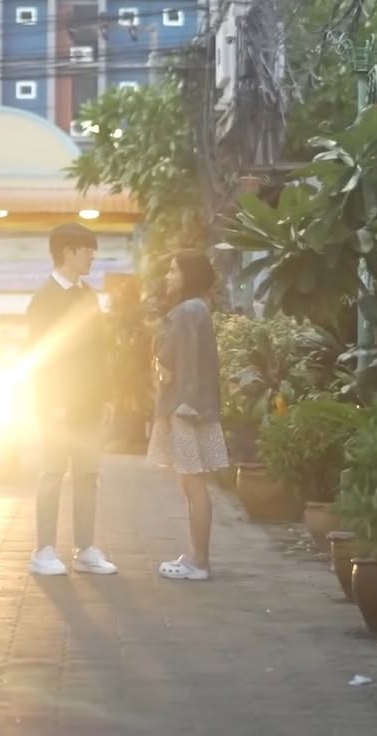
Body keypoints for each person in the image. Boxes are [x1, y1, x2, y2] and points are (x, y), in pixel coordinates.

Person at [27, 222, 117, 577]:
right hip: (58, 406)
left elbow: (100, 351)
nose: (92, 256)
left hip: (89, 405)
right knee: (52, 473)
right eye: (86, 250)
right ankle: (43, 551)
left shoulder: (87, 295)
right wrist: (51, 404)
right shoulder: (44, 299)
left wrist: (106, 398)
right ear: (67, 252)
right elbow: (42, 356)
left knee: (87, 475)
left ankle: (85, 548)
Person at [147, 249, 229, 581]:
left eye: (173, 270)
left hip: (185, 407)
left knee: (193, 484)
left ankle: (199, 562)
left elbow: (180, 361)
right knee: (192, 483)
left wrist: (185, 404)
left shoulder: (186, 311)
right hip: (194, 406)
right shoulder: (198, 308)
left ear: (188, 276)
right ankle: (197, 557)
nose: (168, 277)